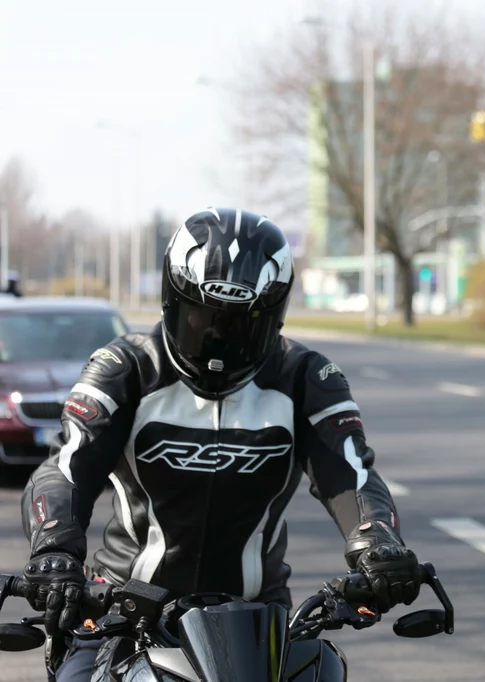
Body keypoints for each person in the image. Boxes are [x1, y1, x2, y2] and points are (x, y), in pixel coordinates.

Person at [20, 208, 421, 680]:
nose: (217, 338)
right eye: (201, 318)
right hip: (123, 611)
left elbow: (350, 472)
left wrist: (376, 543)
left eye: (239, 325)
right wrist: (56, 551)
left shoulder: (307, 376)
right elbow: (67, 467)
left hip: (259, 622)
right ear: (172, 302)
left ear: (274, 318)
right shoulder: (125, 367)